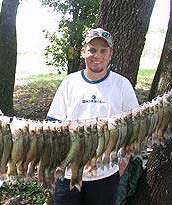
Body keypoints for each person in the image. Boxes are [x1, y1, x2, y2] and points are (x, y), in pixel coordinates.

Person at [46, 28, 139, 205]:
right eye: (92, 50)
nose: (97, 55)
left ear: (110, 54)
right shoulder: (69, 83)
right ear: (83, 52)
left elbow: (134, 129)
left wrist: (122, 165)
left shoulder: (122, 85)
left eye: (103, 51)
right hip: (67, 173)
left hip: (105, 175)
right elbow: (53, 126)